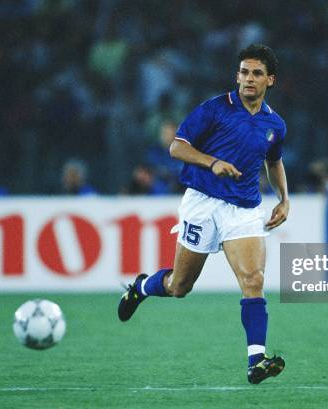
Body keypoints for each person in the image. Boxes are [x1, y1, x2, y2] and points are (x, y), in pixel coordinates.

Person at [118, 44, 289, 384]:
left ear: (270, 80)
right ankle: (141, 287)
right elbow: (177, 146)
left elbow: (273, 161)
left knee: (253, 281)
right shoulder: (215, 109)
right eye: (243, 72)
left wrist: (284, 198)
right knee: (179, 286)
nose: (248, 79)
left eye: (256, 73)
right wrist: (212, 162)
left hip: (244, 209)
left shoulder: (275, 125)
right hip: (203, 203)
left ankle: (256, 360)